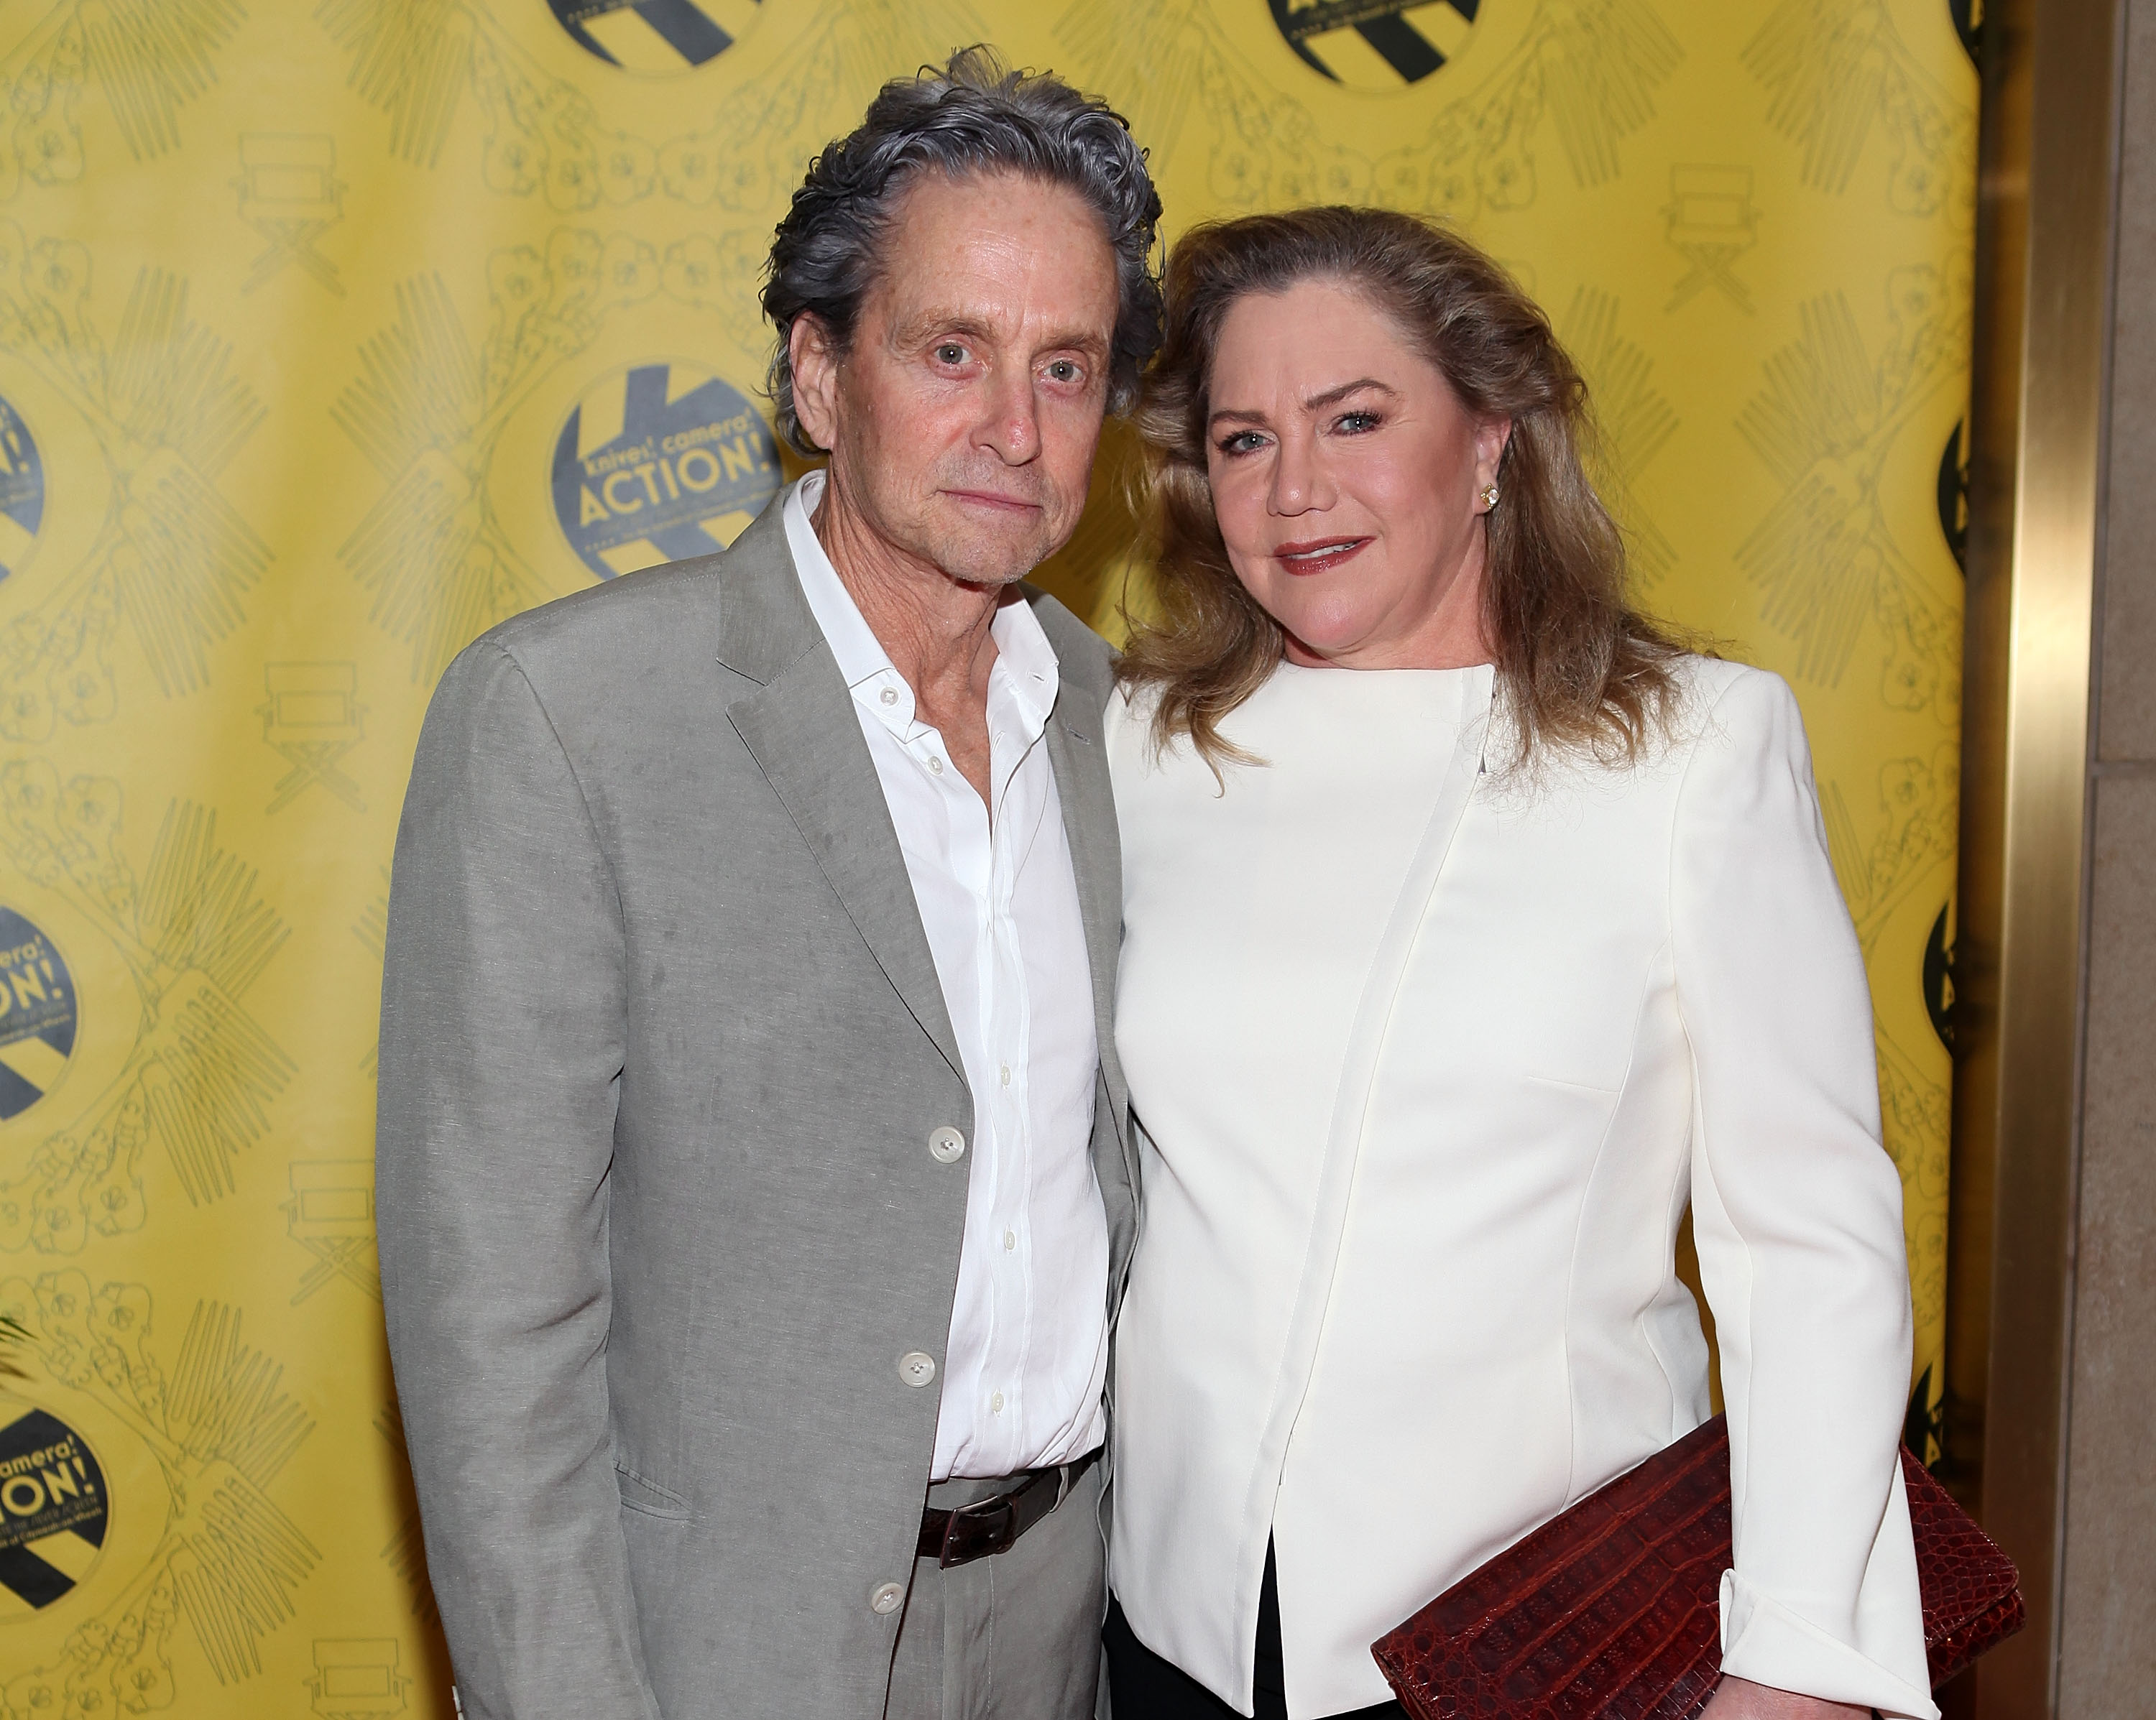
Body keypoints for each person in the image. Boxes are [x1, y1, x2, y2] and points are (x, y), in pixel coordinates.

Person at [374, 51, 1161, 1720]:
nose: (1013, 430)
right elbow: (490, 1332)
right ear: (818, 374)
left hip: (1067, 1631)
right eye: (951, 351)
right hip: (715, 1646)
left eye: (1066, 367)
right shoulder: (569, 719)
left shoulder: (1120, 724)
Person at [1099, 206, 1939, 1720]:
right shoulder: (1141, 747)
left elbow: (1808, 1244)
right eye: (1241, 439)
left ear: (1492, 441)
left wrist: (1800, 1661)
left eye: (1356, 418)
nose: (1296, 489)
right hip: (1175, 1637)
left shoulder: (1691, 748)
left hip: (1545, 1639)